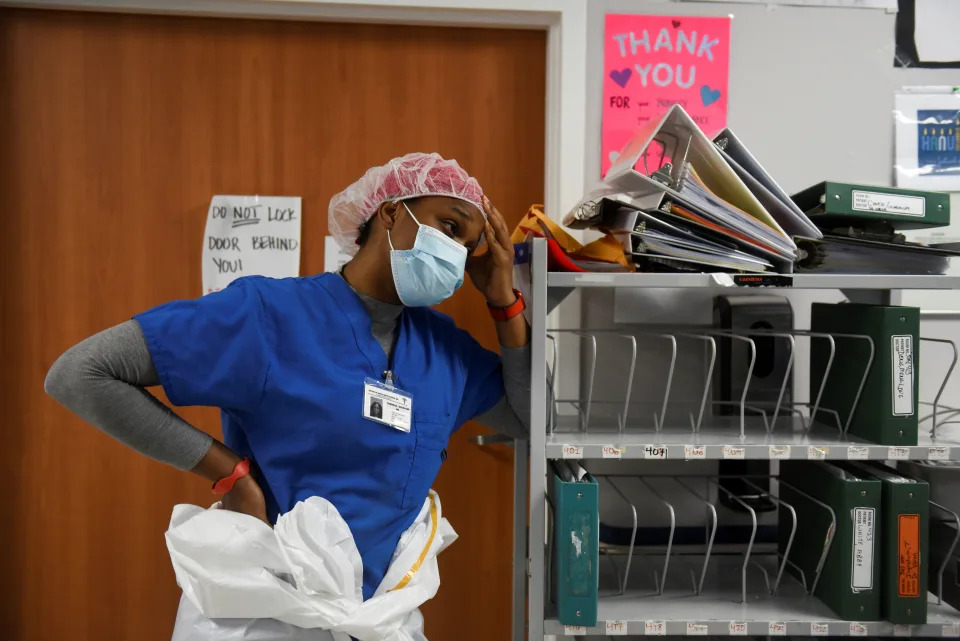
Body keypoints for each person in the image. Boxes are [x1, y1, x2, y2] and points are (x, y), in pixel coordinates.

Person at [44, 152, 531, 607]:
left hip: (380, 617)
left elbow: (527, 419)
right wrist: (229, 475)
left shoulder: (445, 352)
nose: (455, 252)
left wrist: (503, 302)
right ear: (389, 212)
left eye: (468, 246)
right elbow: (80, 374)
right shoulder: (266, 316)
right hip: (272, 609)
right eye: (449, 226)